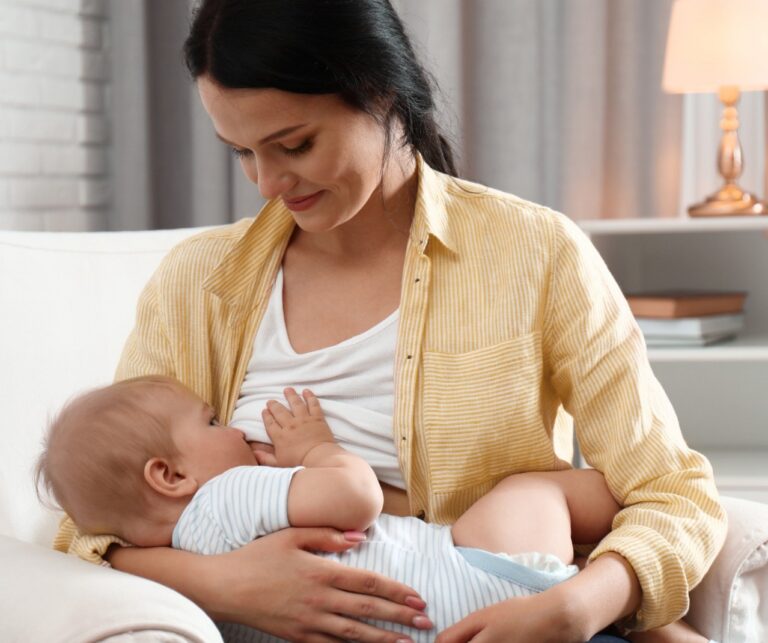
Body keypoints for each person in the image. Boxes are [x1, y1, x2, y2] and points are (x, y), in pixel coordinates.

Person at [53, 1, 727, 641]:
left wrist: (582, 602)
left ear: (381, 93)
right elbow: (92, 525)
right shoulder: (198, 283)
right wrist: (224, 583)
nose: (266, 183)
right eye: (243, 152)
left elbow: (672, 492)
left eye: (295, 143)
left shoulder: (534, 253)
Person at [37, 376, 709, 643]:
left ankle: (608, 591)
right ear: (170, 474)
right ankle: (610, 546)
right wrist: (316, 449)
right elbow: (353, 498)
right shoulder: (223, 497)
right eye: (211, 419)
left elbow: (82, 533)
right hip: (470, 572)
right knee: (540, 489)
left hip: (429, 623)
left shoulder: (174, 555)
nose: (234, 429)